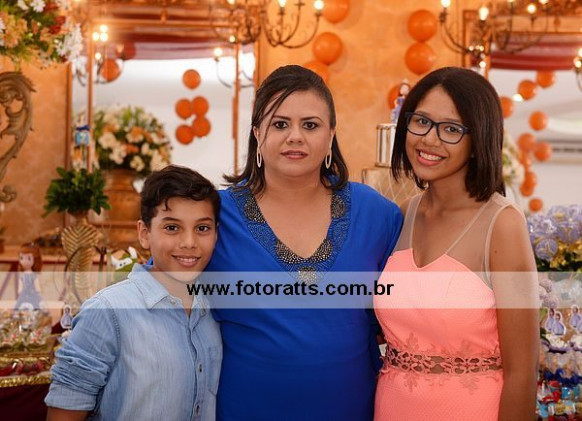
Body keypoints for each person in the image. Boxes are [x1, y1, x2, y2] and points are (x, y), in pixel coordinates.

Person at [205, 65, 402, 421]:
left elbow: (405, 314)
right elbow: (160, 295)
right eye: (280, 124)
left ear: (330, 136)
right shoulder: (216, 216)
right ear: (257, 134)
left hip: (351, 410)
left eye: (310, 125)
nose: (295, 136)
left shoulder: (376, 213)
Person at [374, 67, 539, 420]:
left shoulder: (503, 224)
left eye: (451, 129)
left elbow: (523, 373)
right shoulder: (402, 214)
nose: (429, 140)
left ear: (479, 140)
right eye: (421, 122)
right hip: (392, 407)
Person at [45, 165, 222, 421]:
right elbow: (64, 414)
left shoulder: (215, 309)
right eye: (172, 228)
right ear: (144, 233)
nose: (189, 242)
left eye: (202, 228)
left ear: (216, 234)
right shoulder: (108, 312)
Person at [14, 242, 44, 310]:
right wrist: (20, 291)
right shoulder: (22, 275)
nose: (24, 261)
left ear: (35, 260)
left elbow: (36, 284)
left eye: (29, 258)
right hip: (23, 294)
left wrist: (38, 291)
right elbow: (20, 284)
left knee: (36, 306)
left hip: (33, 294)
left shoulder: (34, 275)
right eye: (21, 258)